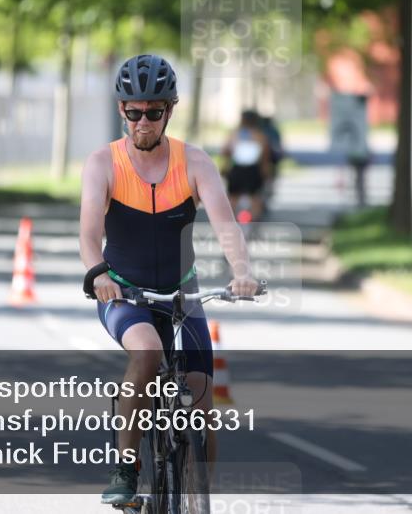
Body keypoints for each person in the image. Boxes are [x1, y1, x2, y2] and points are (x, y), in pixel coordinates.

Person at [79, 54, 260, 506]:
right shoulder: (103, 163)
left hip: (183, 292)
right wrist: (98, 273)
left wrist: (242, 272)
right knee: (146, 351)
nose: (143, 122)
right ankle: (127, 468)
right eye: (134, 112)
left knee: (202, 409)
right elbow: (87, 234)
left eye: (153, 112)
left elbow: (224, 224)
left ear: (170, 111)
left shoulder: (194, 163)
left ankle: (199, 499)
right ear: (122, 110)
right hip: (123, 290)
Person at [221, 110, 272, 222]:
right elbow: (265, 158)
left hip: (237, 170)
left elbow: (225, 152)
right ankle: (253, 224)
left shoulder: (234, 135)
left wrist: (224, 168)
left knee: (233, 197)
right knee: (255, 198)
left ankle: (232, 222)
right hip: (253, 171)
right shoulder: (260, 136)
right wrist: (266, 174)